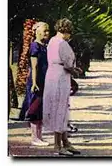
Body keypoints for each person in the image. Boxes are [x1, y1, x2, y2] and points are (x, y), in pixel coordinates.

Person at [42, 19, 83, 155]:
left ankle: (65, 142)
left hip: (52, 74)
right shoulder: (62, 43)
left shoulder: (52, 41)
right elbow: (67, 64)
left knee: (59, 108)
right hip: (61, 76)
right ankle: (57, 145)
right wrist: (75, 70)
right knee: (60, 108)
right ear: (66, 31)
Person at [19, 22, 50, 146]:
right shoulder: (34, 46)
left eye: (48, 31)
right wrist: (34, 82)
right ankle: (34, 137)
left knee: (41, 110)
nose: (47, 33)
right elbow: (34, 65)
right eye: (45, 30)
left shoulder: (44, 46)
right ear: (37, 32)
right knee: (34, 109)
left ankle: (39, 136)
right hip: (36, 82)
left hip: (44, 81)